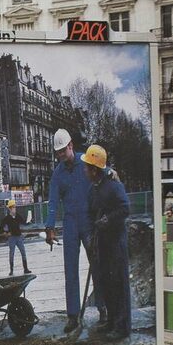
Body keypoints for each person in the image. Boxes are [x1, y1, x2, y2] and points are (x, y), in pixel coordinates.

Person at [45, 129, 104, 334]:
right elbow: (52, 201)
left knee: (97, 264)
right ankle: (72, 316)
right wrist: (50, 226)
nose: (60, 156)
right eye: (58, 153)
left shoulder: (85, 161)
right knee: (70, 269)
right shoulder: (58, 173)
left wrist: (111, 172)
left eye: (63, 151)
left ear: (71, 145)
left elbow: (102, 170)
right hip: (70, 223)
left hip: (88, 221)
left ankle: (103, 308)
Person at [84, 144, 131, 341]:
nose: (85, 170)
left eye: (87, 167)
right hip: (102, 244)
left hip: (115, 243)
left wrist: (108, 220)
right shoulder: (93, 190)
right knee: (107, 284)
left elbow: (125, 209)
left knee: (118, 285)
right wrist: (91, 234)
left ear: (94, 169)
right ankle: (112, 321)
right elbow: (89, 213)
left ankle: (122, 327)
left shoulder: (114, 186)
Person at [0, 200, 31, 276]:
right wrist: (5, 233)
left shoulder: (18, 216)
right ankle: (11, 270)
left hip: (19, 237)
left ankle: (25, 269)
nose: (15, 209)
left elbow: (23, 222)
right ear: (10, 208)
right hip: (12, 238)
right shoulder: (7, 218)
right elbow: (0, 228)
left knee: (23, 252)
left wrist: (28, 221)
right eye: (13, 207)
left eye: (15, 207)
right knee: (11, 254)